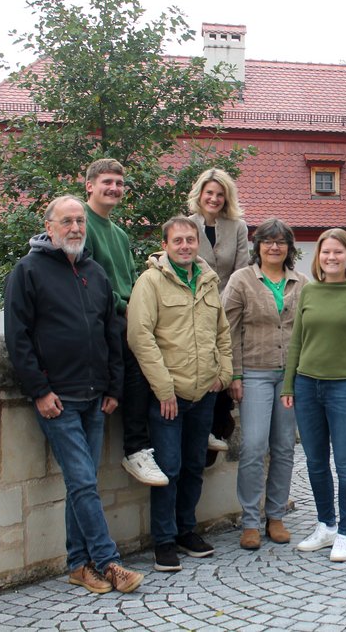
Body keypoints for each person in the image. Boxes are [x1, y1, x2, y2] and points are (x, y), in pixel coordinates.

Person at [3, 195, 143, 594]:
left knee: (82, 483)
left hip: (95, 395)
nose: (76, 228)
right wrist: (40, 391)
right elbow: (18, 338)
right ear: (49, 227)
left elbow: (110, 332)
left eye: (80, 221)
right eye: (67, 221)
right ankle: (109, 560)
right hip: (57, 397)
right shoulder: (28, 271)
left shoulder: (95, 272)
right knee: (83, 480)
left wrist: (114, 386)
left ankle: (79, 564)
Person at [127, 217, 233, 573]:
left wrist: (224, 373)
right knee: (168, 469)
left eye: (191, 240)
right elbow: (141, 338)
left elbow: (222, 332)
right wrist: (164, 389)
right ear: (166, 244)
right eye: (178, 241)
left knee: (193, 466)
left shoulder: (207, 281)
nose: (186, 245)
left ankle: (187, 530)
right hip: (168, 396)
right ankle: (164, 540)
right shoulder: (151, 282)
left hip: (204, 393)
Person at [281, 228, 346, 562]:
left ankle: (344, 533)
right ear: (318, 257)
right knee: (314, 461)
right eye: (326, 252)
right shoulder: (309, 292)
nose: (332, 257)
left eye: (338, 252)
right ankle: (325, 524)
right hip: (308, 386)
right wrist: (289, 383)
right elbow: (297, 340)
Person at [221, 218, 309, 550]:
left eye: (281, 242)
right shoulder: (241, 280)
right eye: (267, 241)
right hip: (254, 374)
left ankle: (276, 516)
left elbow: (307, 331)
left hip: (289, 376)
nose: (274, 247)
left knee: (285, 447)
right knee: (254, 446)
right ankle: (249, 521)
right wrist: (236, 374)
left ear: (289, 248)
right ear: (257, 246)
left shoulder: (300, 282)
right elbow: (229, 331)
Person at [84, 158, 168, 487]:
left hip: (126, 311)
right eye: (107, 182)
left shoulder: (118, 233)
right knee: (138, 357)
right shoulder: (83, 223)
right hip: (103, 317)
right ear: (90, 185)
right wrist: (125, 306)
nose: (114, 188)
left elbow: (131, 279)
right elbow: (90, 279)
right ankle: (135, 448)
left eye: (119, 184)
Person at [187, 168, 251, 456]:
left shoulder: (237, 227)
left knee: (226, 361)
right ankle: (202, 426)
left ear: (227, 198)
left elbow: (242, 270)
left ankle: (219, 426)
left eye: (220, 194)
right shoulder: (186, 225)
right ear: (200, 194)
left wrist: (222, 304)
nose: (213, 198)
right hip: (195, 307)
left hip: (230, 308)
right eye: (209, 192)